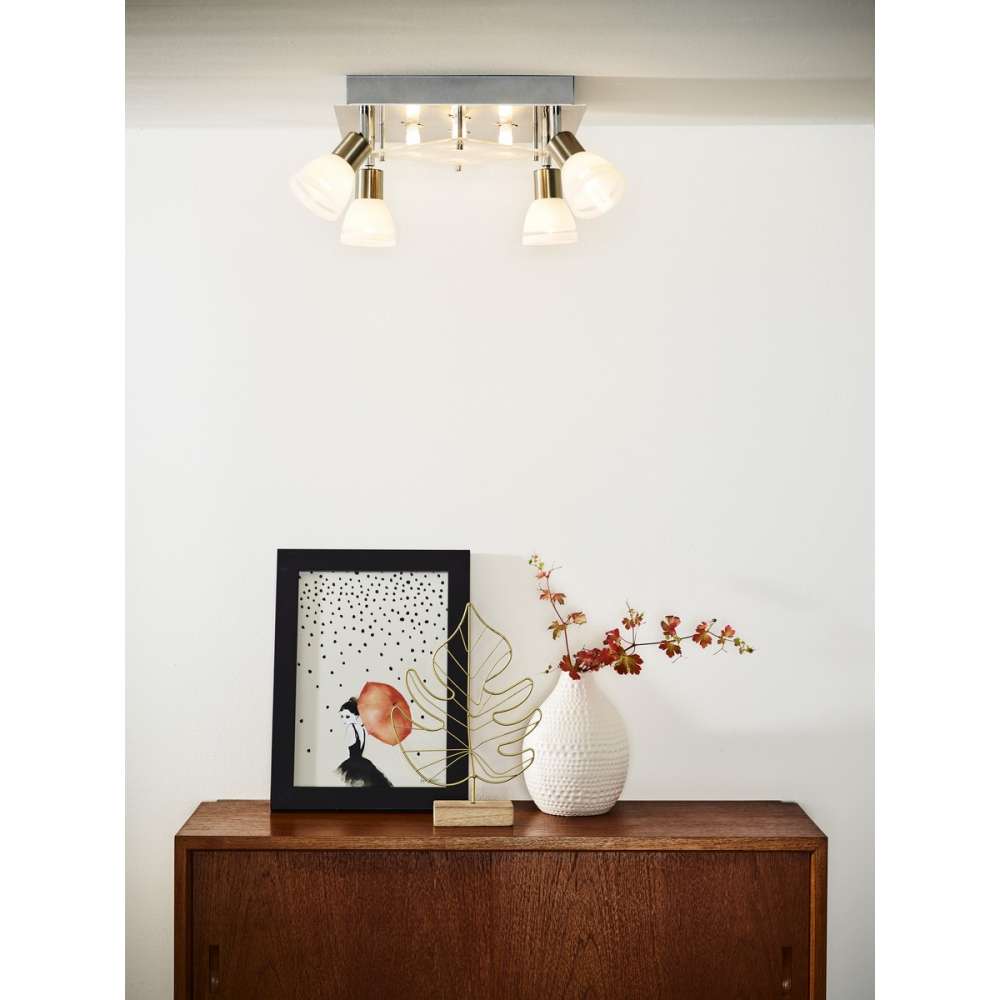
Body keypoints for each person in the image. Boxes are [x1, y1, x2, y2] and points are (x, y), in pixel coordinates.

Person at [337, 697, 392, 788]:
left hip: (353, 763)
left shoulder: (350, 728)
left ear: (356, 716)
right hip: (362, 762)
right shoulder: (361, 729)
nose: (344, 720)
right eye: (342, 716)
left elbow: (346, 747)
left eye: (347, 717)